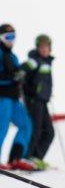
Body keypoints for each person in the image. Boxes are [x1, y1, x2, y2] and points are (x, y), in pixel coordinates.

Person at [0, 24, 34, 170]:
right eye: (8, 37)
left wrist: (21, 76)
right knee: (2, 127)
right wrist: (12, 77)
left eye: (13, 37)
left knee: (26, 124)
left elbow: (17, 75)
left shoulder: (12, 56)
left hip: (13, 97)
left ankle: (15, 158)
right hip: (2, 97)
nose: (11, 40)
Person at [23, 33, 55, 169]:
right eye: (41, 47)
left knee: (49, 132)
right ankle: (27, 158)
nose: (44, 49)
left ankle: (36, 158)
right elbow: (22, 75)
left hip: (43, 101)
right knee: (35, 130)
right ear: (37, 48)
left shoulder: (46, 62)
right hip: (34, 101)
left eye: (46, 46)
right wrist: (32, 92)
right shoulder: (34, 61)